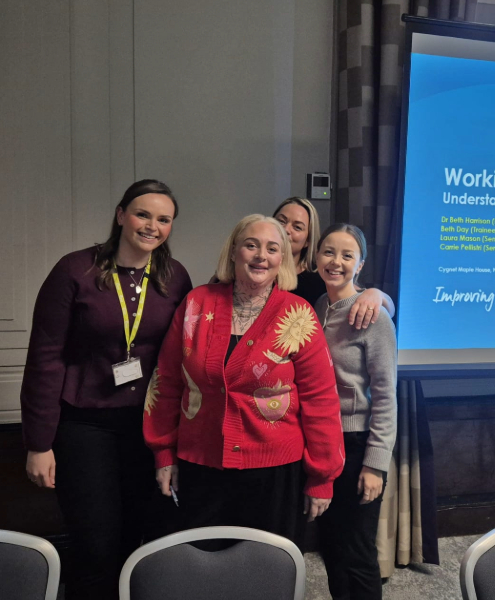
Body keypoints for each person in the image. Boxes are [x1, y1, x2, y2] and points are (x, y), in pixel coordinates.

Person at [21, 179, 193, 599]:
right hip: (85, 426)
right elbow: (45, 358)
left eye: (163, 219)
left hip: (146, 428)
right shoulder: (74, 271)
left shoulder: (174, 277)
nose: (151, 225)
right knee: (95, 543)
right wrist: (38, 443)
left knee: (139, 536)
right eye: (142, 214)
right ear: (121, 215)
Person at [143, 214, 344, 549]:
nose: (260, 255)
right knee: (203, 573)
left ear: (282, 259)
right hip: (200, 465)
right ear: (234, 251)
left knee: (266, 573)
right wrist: (164, 453)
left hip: (275, 471)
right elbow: (166, 382)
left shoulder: (299, 314)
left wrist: (322, 477)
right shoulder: (196, 303)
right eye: (251, 245)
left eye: (271, 248)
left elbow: (321, 399)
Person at [314, 224, 398, 600]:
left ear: (360, 264)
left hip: (357, 442)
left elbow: (385, 395)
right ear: (317, 257)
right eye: (329, 252)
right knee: (331, 544)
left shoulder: (374, 316)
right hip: (322, 441)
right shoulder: (317, 307)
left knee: (358, 550)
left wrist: (375, 464)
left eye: (347, 255)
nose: (336, 262)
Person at [273, 197, 395, 327]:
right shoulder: (256, 272)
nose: (285, 229)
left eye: (297, 227)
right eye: (281, 221)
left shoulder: (322, 277)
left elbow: (389, 308)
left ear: (308, 240)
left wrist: (374, 293)